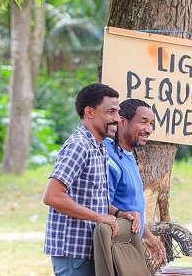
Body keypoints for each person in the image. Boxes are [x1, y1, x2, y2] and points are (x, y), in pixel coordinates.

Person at [43, 83, 122, 276]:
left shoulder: (100, 146)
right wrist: (98, 217)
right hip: (74, 255)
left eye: (117, 113)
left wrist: (119, 213)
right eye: (111, 112)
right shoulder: (79, 146)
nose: (117, 119)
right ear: (89, 112)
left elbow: (92, 197)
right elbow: (52, 196)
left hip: (91, 250)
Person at [105, 98, 167, 265]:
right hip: (112, 251)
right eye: (143, 122)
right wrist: (120, 215)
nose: (148, 129)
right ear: (122, 122)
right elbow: (100, 204)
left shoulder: (128, 154)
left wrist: (147, 236)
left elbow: (129, 207)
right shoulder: (108, 156)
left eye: (151, 124)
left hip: (127, 247)